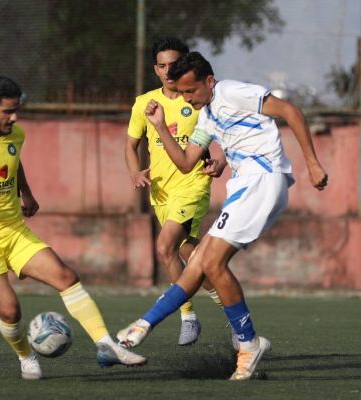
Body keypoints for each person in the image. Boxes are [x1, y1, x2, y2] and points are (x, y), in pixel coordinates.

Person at [117, 52, 328, 380]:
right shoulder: (206, 117)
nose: (187, 98)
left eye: (192, 90)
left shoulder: (231, 91)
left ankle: (247, 343)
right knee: (199, 262)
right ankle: (143, 325)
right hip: (243, 187)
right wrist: (159, 127)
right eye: (182, 93)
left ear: (209, 81)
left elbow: (289, 111)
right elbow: (186, 163)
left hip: (263, 180)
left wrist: (312, 163)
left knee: (212, 263)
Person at [0, 76, 146, 380]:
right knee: (10, 311)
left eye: (17, 110)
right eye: (8, 111)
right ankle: (25, 356)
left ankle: (106, 345)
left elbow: (13, 162)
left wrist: (26, 193)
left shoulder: (15, 134)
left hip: (13, 230)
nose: (15, 117)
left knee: (66, 277)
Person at [125, 38, 225, 346]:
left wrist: (220, 160)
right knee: (190, 256)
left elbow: (222, 133)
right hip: (161, 192)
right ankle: (233, 311)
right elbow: (131, 145)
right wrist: (134, 171)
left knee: (164, 246)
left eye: (174, 64)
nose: (168, 71)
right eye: (162, 65)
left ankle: (187, 316)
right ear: (155, 69)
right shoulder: (145, 103)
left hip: (193, 184)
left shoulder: (195, 98)